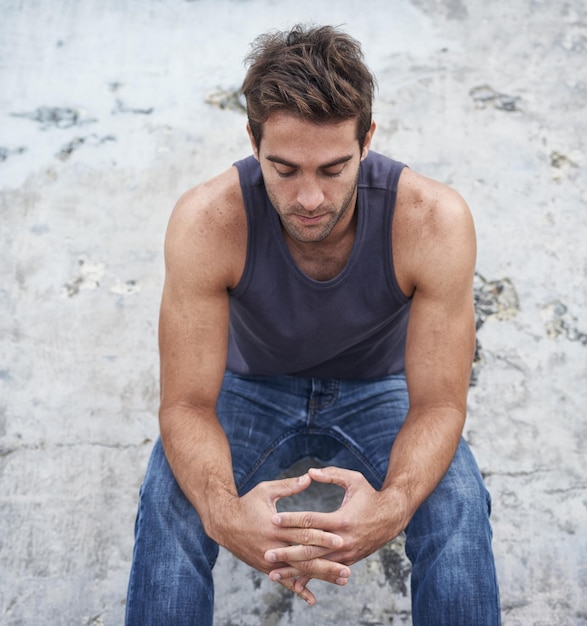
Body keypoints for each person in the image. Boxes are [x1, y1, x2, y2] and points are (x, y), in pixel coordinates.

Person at [125, 23, 500, 625]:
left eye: (332, 169)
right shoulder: (207, 221)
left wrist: (394, 506)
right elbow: (186, 405)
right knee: (170, 497)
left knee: (455, 499)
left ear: (367, 139)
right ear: (253, 141)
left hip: (378, 387)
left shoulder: (432, 221)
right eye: (284, 169)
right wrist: (224, 515)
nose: (308, 198)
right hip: (250, 385)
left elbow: (439, 406)